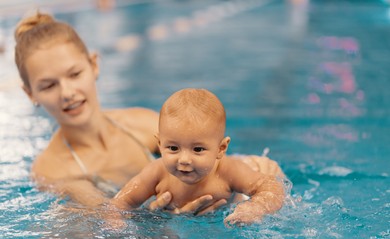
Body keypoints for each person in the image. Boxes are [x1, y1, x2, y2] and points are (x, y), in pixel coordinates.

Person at [14, 12, 283, 214]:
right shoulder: (53, 168)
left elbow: (206, 147)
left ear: (94, 65)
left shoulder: (140, 123)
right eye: (48, 85)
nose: (67, 92)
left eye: (75, 74)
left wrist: (251, 167)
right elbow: (109, 215)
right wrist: (160, 219)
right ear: (30, 94)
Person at [110, 88, 285, 225]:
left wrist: (255, 208)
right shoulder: (156, 172)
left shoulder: (228, 170)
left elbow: (271, 187)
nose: (184, 159)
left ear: (221, 149)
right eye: (173, 148)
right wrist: (115, 222)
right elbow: (119, 204)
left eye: (198, 150)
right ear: (159, 144)